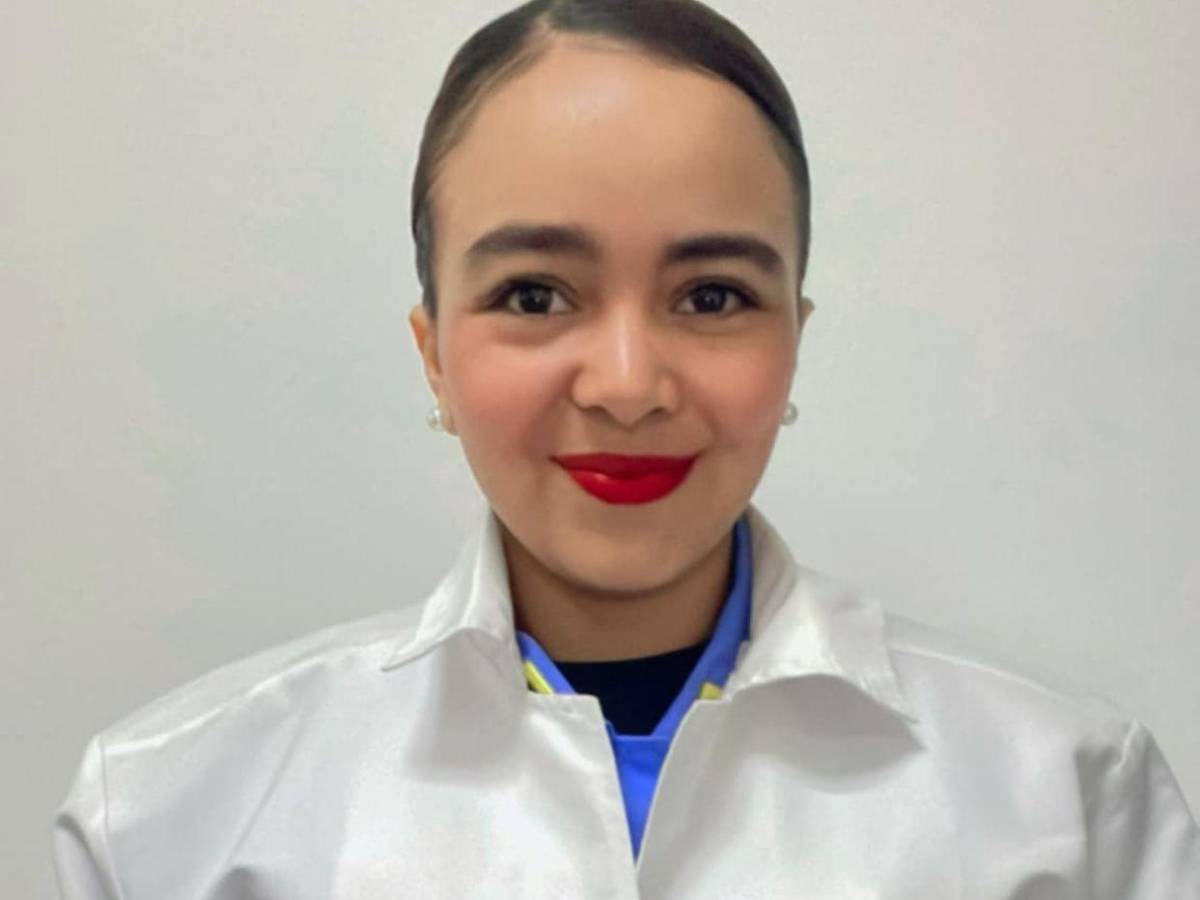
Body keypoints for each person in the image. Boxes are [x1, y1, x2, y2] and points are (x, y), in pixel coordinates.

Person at [52, 1, 1200, 897]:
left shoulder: (1071, 802)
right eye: (535, 293)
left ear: (793, 339)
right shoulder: (171, 815)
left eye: (711, 296)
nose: (628, 386)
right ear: (434, 354)